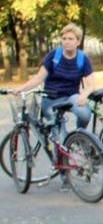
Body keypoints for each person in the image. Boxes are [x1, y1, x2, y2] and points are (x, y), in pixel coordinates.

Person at [13, 23, 96, 191]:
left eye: (70, 39)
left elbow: (91, 85)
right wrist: (21, 88)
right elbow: (38, 78)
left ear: (78, 41)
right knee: (58, 137)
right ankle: (64, 176)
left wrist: (83, 96)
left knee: (85, 112)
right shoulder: (54, 56)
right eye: (64, 39)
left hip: (71, 96)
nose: (66, 42)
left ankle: (80, 137)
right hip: (50, 99)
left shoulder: (82, 59)